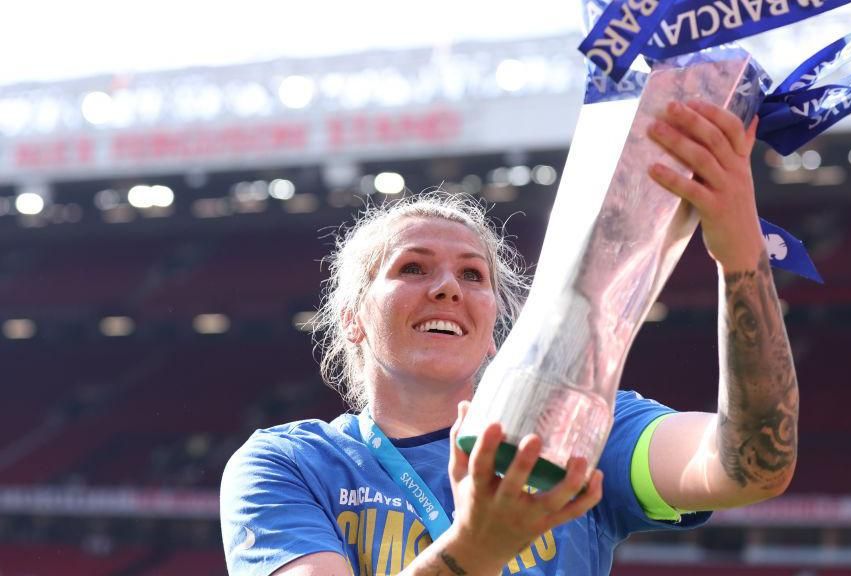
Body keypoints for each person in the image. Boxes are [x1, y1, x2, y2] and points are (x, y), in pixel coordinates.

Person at [220, 99, 799, 576]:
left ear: (494, 326)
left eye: (473, 275)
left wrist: (740, 256)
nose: (448, 288)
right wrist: (476, 547)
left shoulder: (579, 427)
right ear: (351, 317)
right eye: (412, 268)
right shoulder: (288, 464)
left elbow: (751, 465)